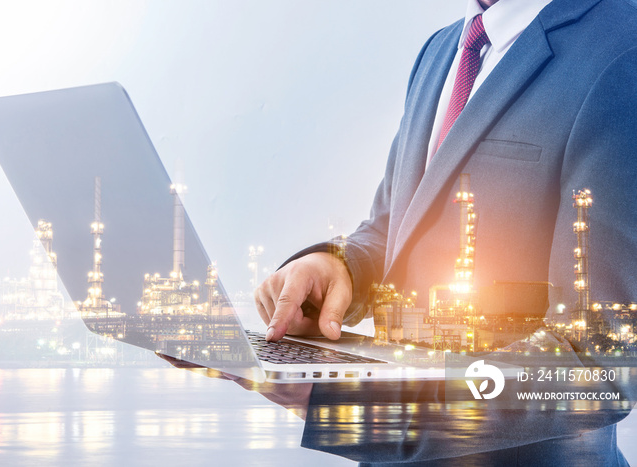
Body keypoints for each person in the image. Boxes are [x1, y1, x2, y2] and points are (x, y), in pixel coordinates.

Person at [251, 0, 637, 464]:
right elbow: (393, 226)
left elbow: (599, 356)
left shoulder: (623, 50)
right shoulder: (441, 50)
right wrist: (337, 266)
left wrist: (365, 409)